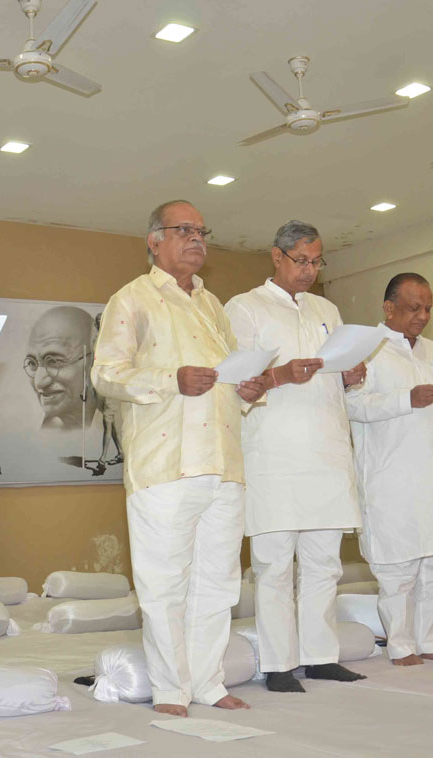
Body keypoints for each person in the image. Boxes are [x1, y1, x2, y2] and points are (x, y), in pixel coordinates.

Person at [92, 199, 266, 717]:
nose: (196, 239)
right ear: (154, 240)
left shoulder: (214, 307)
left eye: (201, 231)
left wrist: (249, 388)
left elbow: (228, 381)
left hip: (224, 464)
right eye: (183, 230)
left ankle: (209, 682)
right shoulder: (132, 299)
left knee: (218, 583)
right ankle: (170, 689)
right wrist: (171, 381)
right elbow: (106, 374)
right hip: (165, 466)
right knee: (165, 585)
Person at [224, 220, 367, 693]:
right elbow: (235, 384)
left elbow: (340, 371)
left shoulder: (326, 307)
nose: (309, 271)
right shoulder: (244, 308)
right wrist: (280, 374)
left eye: (316, 261)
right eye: (301, 261)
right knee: (274, 566)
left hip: (326, 451)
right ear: (276, 257)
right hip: (274, 455)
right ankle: (280, 665)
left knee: (324, 563)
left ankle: (320, 656)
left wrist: (350, 375)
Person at [345, 273, 433, 665]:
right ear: (388, 308)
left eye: (428, 308)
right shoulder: (366, 350)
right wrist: (406, 398)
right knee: (398, 567)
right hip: (391, 476)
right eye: (413, 307)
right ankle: (401, 644)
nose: (423, 315)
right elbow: (352, 405)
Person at [25, 305, 98, 430]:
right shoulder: (33, 432)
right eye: (32, 364)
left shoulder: (124, 428)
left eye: (54, 361)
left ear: (93, 362)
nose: (39, 383)